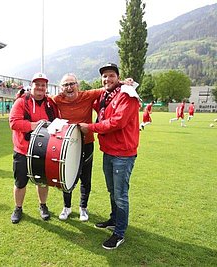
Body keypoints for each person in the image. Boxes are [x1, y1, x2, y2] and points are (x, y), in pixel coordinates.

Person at [79, 63, 140, 250]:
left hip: (123, 153)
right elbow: (95, 105)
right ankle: (114, 220)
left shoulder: (127, 94)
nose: (107, 79)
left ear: (118, 77)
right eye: (104, 76)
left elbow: (117, 122)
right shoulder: (106, 95)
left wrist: (90, 127)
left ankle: (119, 233)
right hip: (109, 151)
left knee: (120, 195)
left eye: (111, 75)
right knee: (113, 191)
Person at [53, 73, 104, 222]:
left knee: (85, 177)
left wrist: (124, 82)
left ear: (78, 85)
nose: (69, 87)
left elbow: (106, 87)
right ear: (61, 88)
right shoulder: (57, 99)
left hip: (86, 143)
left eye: (71, 84)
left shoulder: (87, 95)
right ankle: (67, 207)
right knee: (66, 175)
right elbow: (43, 98)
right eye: (65, 85)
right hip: (67, 144)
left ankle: (83, 208)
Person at [9, 73, 59, 224]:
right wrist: (34, 125)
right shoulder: (21, 102)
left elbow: (56, 121)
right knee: (20, 182)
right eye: (37, 84)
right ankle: (18, 208)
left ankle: (43, 206)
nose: (40, 87)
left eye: (43, 85)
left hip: (43, 150)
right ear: (31, 86)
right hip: (23, 150)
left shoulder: (50, 103)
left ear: (46, 87)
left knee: (42, 181)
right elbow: (13, 123)